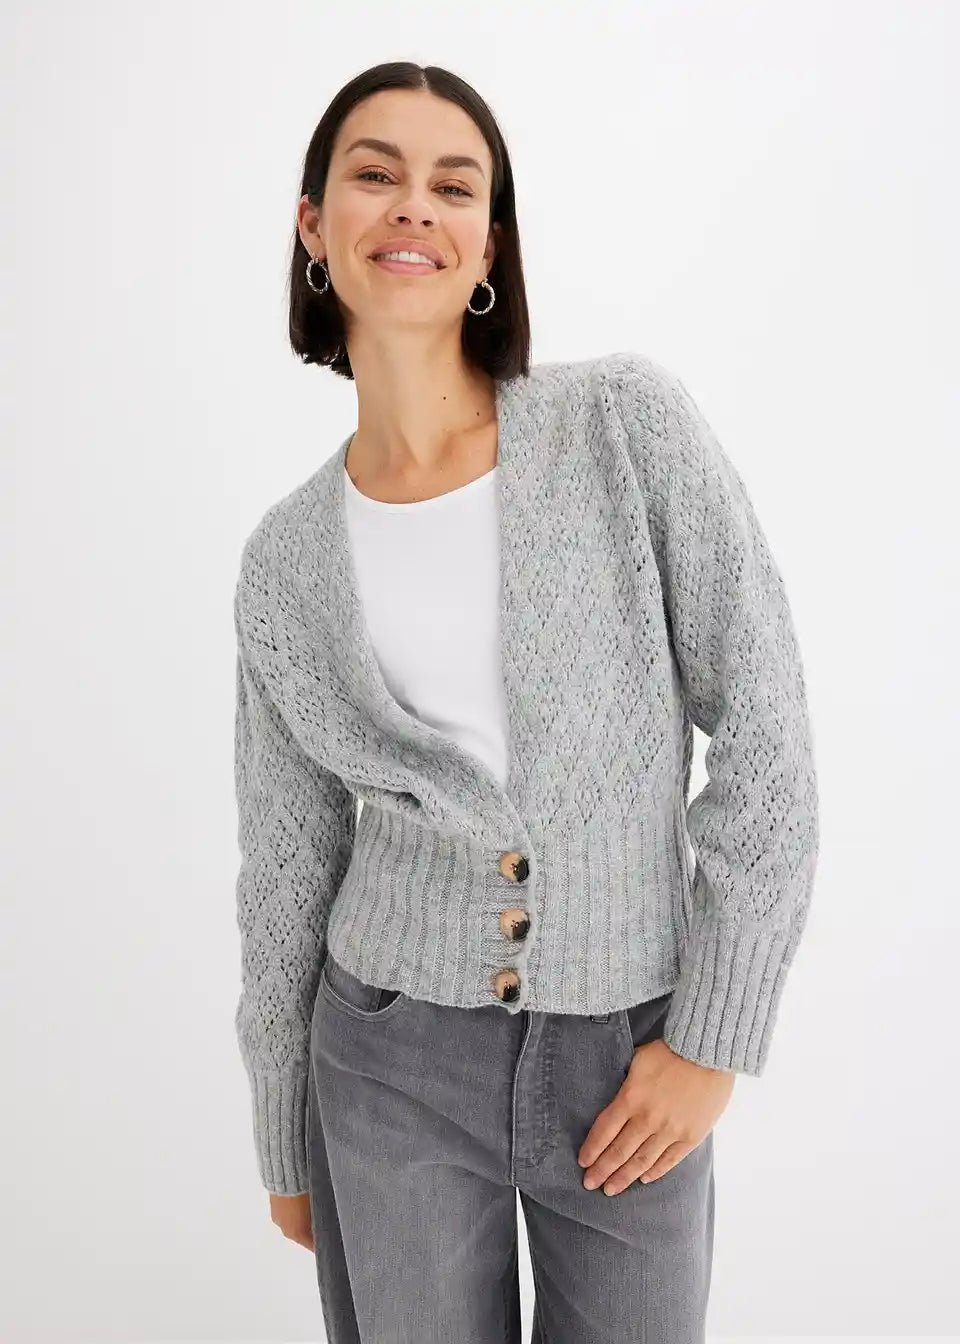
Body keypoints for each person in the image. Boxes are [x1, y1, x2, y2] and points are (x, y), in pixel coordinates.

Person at [231, 60, 819, 1344]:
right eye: (375, 174)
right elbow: (284, 871)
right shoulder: (285, 562)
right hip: (384, 1063)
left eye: (456, 186)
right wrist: (284, 1129)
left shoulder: (623, 428)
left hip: (629, 1053)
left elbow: (768, 734)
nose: (414, 206)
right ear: (313, 224)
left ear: (488, 244)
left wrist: (711, 1039)